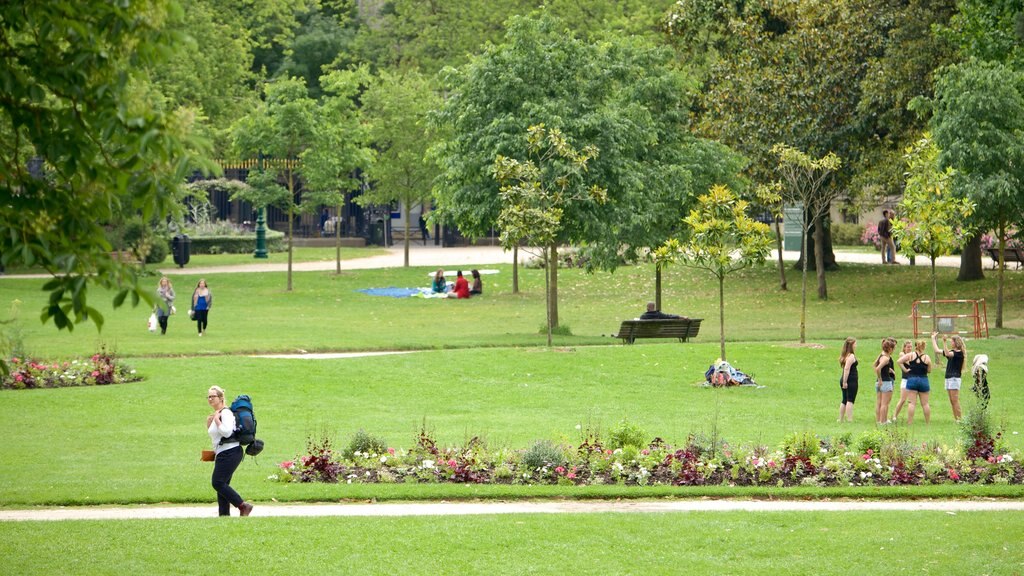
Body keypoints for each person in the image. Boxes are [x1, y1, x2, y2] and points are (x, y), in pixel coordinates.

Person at [206, 386, 253, 517]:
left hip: (230, 452)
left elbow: (227, 432)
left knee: (218, 482)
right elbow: (218, 436)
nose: (210, 399)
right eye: (208, 397)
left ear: (221, 398)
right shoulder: (217, 413)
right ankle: (224, 515)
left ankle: (243, 506)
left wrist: (216, 420)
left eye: (213, 396)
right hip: (223, 452)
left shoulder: (225, 413)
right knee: (223, 484)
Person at [932, 332, 966, 422]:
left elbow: (947, 353)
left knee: (955, 400)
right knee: (951, 400)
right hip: (948, 378)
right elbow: (937, 350)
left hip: (954, 378)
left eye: (952, 341)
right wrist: (933, 339)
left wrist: (944, 342)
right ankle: (956, 419)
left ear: (956, 343)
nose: (951, 343)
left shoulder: (959, 353)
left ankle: (959, 419)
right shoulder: (952, 352)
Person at [898, 339, 932, 425]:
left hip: (912, 379)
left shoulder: (911, 355)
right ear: (923, 347)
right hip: (923, 380)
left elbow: (899, 361)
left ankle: (909, 422)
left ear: (916, 346)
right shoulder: (927, 357)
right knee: (925, 404)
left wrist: (905, 370)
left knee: (912, 403)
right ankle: (927, 422)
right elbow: (929, 370)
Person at [873, 337, 896, 424]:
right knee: (884, 403)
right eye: (893, 349)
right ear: (890, 349)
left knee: (879, 402)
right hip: (885, 381)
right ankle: (883, 421)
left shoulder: (881, 355)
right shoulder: (886, 358)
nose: (893, 351)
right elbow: (878, 368)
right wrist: (880, 379)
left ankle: (878, 420)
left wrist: (887, 369)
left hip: (878, 383)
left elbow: (875, 365)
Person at [890, 340, 913, 423]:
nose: (910, 348)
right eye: (908, 347)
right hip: (905, 379)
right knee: (903, 399)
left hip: (912, 379)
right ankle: (894, 416)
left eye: (911, 347)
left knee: (911, 400)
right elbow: (908, 362)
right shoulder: (902, 354)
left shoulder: (912, 354)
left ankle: (910, 418)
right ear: (904, 347)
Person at [838, 337, 858, 422]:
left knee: (844, 400)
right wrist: (845, 382)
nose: (856, 345)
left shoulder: (845, 355)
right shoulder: (851, 356)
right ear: (851, 345)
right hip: (850, 380)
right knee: (850, 400)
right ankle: (849, 419)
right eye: (855, 344)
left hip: (845, 379)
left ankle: (841, 419)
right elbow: (846, 369)